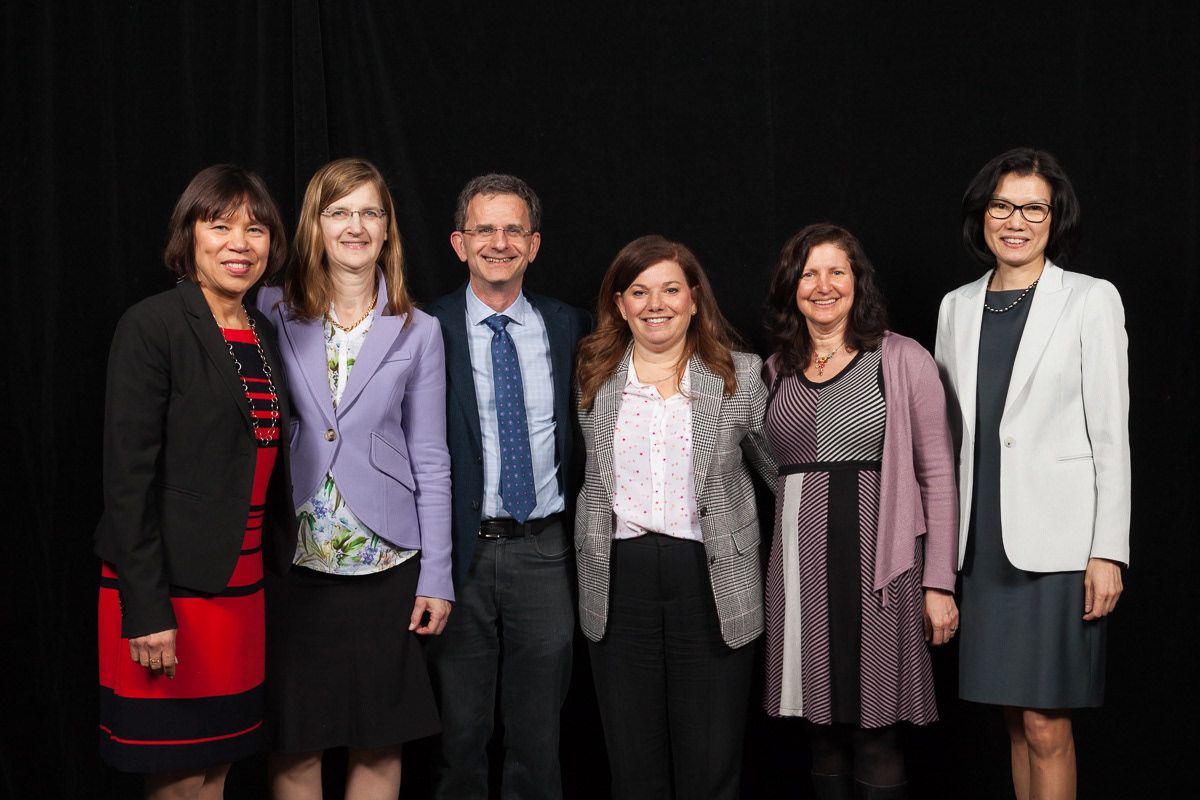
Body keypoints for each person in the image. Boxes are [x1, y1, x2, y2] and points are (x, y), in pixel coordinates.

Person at [935, 148, 1129, 800]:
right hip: (981, 545)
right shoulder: (955, 308)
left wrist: (1108, 551)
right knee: (1015, 723)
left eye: (1032, 207)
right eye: (1002, 205)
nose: (1015, 220)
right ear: (982, 214)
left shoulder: (1090, 300)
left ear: (1054, 218)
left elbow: (1110, 434)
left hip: (1060, 549)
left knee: (1048, 724)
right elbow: (945, 441)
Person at [255, 157, 452, 798]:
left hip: (386, 564)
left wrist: (438, 575)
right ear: (315, 225)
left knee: (377, 738)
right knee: (295, 740)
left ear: (389, 229)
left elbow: (431, 456)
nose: (356, 226)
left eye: (370, 212)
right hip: (294, 562)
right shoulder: (270, 311)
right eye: (339, 212)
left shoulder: (420, 331)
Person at [95, 164, 292, 799]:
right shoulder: (152, 325)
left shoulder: (261, 331)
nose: (241, 243)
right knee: (178, 777)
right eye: (221, 225)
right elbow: (128, 482)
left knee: (219, 768)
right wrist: (145, 608)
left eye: (256, 229)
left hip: (242, 585)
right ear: (191, 235)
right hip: (169, 588)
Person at [573, 235, 777, 800]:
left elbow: (780, 473)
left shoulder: (740, 375)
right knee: (633, 761)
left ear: (693, 299)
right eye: (639, 291)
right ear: (620, 303)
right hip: (619, 579)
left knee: (710, 759)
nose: (655, 304)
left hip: (711, 578)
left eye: (670, 289)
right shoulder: (593, 373)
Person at [762, 223, 959, 800]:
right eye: (809, 273)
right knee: (820, 733)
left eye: (836, 272)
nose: (823, 285)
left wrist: (939, 584)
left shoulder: (900, 358)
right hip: (800, 575)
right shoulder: (775, 370)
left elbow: (940, 478)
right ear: (791, 287)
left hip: (884, 569)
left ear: (857, 281)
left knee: (878, 734)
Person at [425, 174, 591, 800]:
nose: (499, 242)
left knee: (539, 734)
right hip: (459, 554)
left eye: (513, 229)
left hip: (543, 550)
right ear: (459, 242)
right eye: (484, 230)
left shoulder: (571, 326)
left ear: (535, 243)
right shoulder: (423, 327)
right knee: (460, 735)